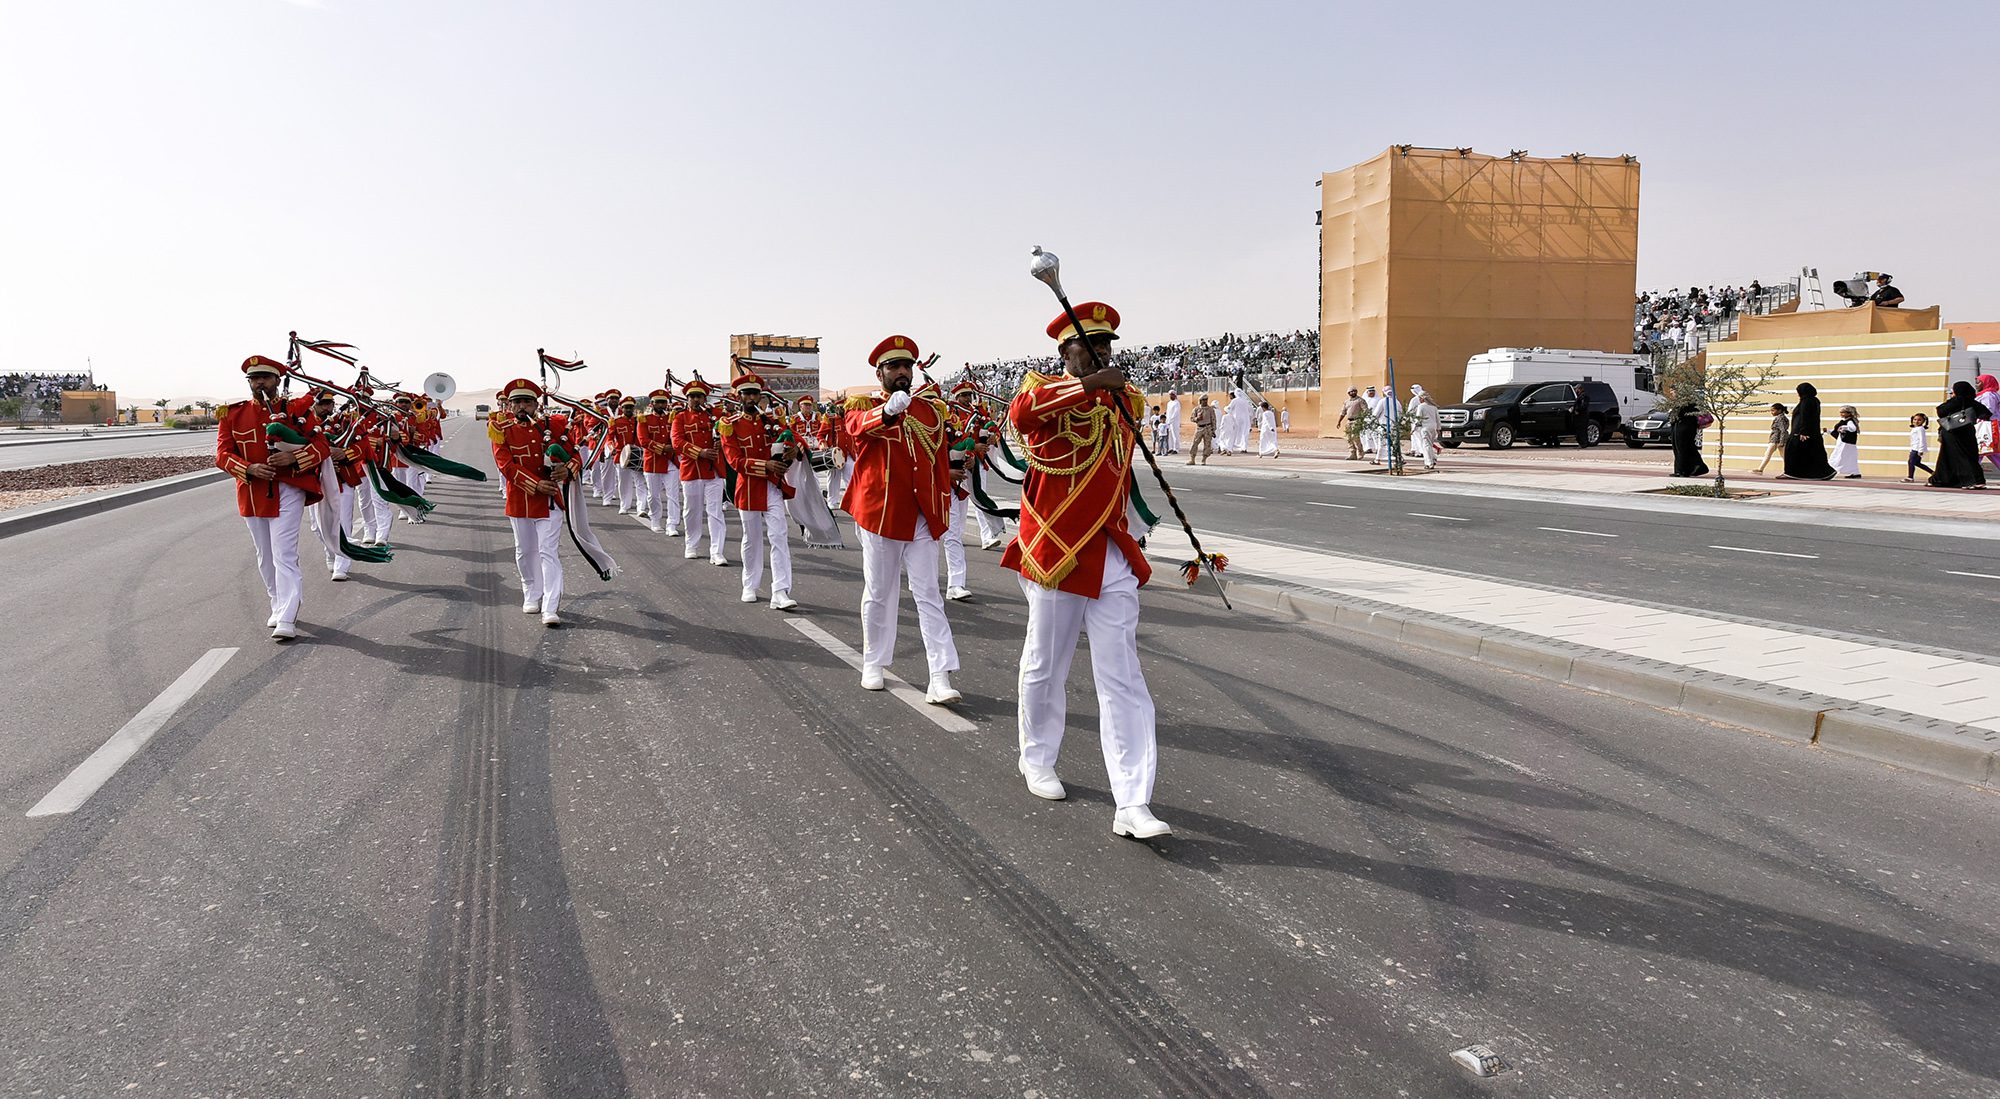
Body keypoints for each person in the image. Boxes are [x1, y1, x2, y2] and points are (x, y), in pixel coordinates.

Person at [1004, 300, 1170, 840]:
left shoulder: (1123, 403)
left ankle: (1132, 801)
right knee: (1045, 663)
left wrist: (1111, 390)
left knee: (1123, 677)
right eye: (1088, 347)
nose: (1100, 354)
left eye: (1105, 348)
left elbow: (1133, 425)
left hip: (1111, 554)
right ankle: (1037, 758)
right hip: (1056, 551)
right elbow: (1023, 415)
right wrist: (1093, 384)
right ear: (1066, 353)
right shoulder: (1045, 392)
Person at [842, 335, 960, 703]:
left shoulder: (930, 410)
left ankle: (939, 675)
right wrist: (888, 411)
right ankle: (874, 662)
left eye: (907, 366)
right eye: (894, 367)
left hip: (921, 516)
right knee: (879, 592)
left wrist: (944, 503)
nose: (902, 372)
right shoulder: (864, 405)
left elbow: (938, 461)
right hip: (880, 513)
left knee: (929, 595)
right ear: (880, 373)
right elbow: (855, 429)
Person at [215, 355, 330, 641]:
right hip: (252, 492)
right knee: (265, 556)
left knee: (284, 553)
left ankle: (288, 614)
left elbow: (322, 447)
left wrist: (293, 457)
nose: (259, 383)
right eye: (254, 379)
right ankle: (277, 603)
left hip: (288, 487)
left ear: (277, 380)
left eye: (265, 377)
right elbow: (222, 455)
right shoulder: (232, 414)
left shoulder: (297, 411)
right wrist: (249, 468)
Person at [488, 378, 575, 627]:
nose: (522, 406)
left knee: (548, 551)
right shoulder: (500, 428)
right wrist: (535, 484)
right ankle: (532, 594)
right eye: (517, 402)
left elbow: (574, 453)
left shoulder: (553, 425)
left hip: (550, 502)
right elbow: (505, 464)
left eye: (527, 401)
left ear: (536, 404)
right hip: (520, 500)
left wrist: (566, 470)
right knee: (525, 551)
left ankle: (550, 606)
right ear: (510, 405)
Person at [719, 373, 799, 609]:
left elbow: (790, 441)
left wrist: (792, 451)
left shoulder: (773, 421)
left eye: (756, 393)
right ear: (739, 396)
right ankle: (750, 584)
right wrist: (765, 465)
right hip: (749, 488)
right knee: (752, 539)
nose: (752, 398)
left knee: (779, 537)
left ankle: (781, 591)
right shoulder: (729, 425)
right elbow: (735, 461)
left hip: (773, 486)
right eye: (747, 394)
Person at [672, 378, 729, 564]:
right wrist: (701, 452)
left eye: (700, 396)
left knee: (715, 512)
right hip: (692, 470)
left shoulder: (716, 416)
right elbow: (677, 442)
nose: (696, 400)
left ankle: (717, 551)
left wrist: (723, 442)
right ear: (687, 399)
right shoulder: (680, 418)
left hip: (714, 470)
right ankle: (691, 545)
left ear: (705, 398)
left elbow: (730, 434)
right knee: (692, 510)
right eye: (693, 397)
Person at [1927, 381, 1991, 489]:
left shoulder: (1955, 401)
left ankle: (1944, 480)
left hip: (1952, 433)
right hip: (1968, 431)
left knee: (1947, 456)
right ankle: (1975, 480)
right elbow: (1986, 413)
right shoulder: (1972, 401)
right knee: (1969, 455)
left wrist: (1953, 401)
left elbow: (1940, 411)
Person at [638, 388, 682, 535]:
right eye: (659, 402)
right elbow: (644, 441)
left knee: (673, 495)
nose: (662, 405)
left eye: (664, 402)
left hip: (671, 462)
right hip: (653, 461)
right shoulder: (644, 419)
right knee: (654, 494)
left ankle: (672, 524)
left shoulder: (673, 418)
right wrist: (664, 448)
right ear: (652, 403)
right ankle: (655, 520)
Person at [1779, 382, 1836, 480]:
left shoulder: (1806, 401)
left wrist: (1803, 432)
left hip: (1801, 432)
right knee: (1812, 453)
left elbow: (1805, 417)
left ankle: (1792, 473)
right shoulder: (1814, 401)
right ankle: (1825, 473)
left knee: (1793, 451)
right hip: (1812, 433)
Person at [1669, 400, 1709, 478]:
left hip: (1684, 426)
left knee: (1682, 447)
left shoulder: (1686, 400)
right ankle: (1683, 469)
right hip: (1679, 425)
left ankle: (1682, 470)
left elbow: (1683, 413)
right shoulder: (1681, 400)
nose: (1672, 392)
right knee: (1682, 447)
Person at [1976, 374, 2000, 475]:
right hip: (1987, 426)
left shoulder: (1988, 395)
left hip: (1987, 427)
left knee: (1983, 450)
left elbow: (1988, 410)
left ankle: (1971, 476)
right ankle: (1971, 475)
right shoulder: (1989, 394)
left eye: (1979, 382)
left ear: (1986, 382)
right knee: (1988, 451)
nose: (1977, 385)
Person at [1754, 403, 1788, 474]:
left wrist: (1781, 442)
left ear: (1779, 410)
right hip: (1777, 439)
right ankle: (1787, 471)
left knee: (1769, 454)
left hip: (1777, 440)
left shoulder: (1781, 418)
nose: (1771, 412)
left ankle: (1760, 469)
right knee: (1783, 456)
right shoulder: (1781, 417)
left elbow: (1783, 430)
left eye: (1773, 410)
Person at [1828, 406, 1861, 478]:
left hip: (1845, 443)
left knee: (1837, 456)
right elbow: (1837, 432)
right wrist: (1828, 431)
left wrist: (1844, 427)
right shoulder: (1845, 421)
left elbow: (1853, 429)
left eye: (1843, 412)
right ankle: (1855, 472)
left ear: (1849, 413)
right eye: (1841, 412)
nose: (1841, 414)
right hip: (1845, 442)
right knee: (1850, 458)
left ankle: (1829, 470)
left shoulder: (1849, 421)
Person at [1334, 387, 1365, 460]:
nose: (1353, 392)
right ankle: (1352, 453)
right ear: (1348, 393)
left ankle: (1360, 452)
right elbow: (1343, 412)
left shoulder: (1360, 400)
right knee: (1349, 438)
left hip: (1357, 420)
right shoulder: (1346, 402)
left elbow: (1365, 411)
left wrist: (1362, 420)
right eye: (1351, 391)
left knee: (1355, 437)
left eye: (1354, 391)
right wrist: (1339, 421)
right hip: (1349, 421)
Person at [1415, 392, 1442, 470]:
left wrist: (1414, 428)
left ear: (1422, 398)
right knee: (1430, 444)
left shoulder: (1421, 407)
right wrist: (1438, 428)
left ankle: (1429, 463)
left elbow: (1418, 419)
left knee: (1426, 445)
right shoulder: (1433, 407)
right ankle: (1433, 458)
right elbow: (1438, 419)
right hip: (1433, 427)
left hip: (1425, 428)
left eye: (1419, 398)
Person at [1187, 394, 1217, 464]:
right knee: (1195, 443)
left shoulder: (1210, 409)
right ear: (1200, 401)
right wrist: (1197, 418)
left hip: (1208, 428)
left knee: (1207, 444)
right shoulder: (1196, 409)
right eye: (1203, 400)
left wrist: (1213, 430)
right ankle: (1192, 459)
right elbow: (1192, 418)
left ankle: (1204, 459)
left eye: (1206, 400)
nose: (1205, 401)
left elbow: (1213, 420)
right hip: (1199, 427)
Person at [1904, 413, 1934, 482]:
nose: (1916, 421)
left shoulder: (1920, 429)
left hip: (1917, 449)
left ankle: (1910, 477)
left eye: (1919, 420)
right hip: (1914, 448)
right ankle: (1933, 473)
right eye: (1915, 419)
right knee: (1917, 463)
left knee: (1911, 462)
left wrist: (1920, 450)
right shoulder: (1916, 428)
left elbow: (1922, 439)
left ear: (1924, 421)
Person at [1361, 384, 1386, 462]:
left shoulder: (1378, 399)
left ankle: (1377, 448)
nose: (1371, 393)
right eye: (1369, 391)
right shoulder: (1364, 399)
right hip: (1365, 419)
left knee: (1375, 434)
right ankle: (1367, 448)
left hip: (1375, 419)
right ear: (1367, 392)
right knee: (1365, 434)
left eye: (1372, 391)